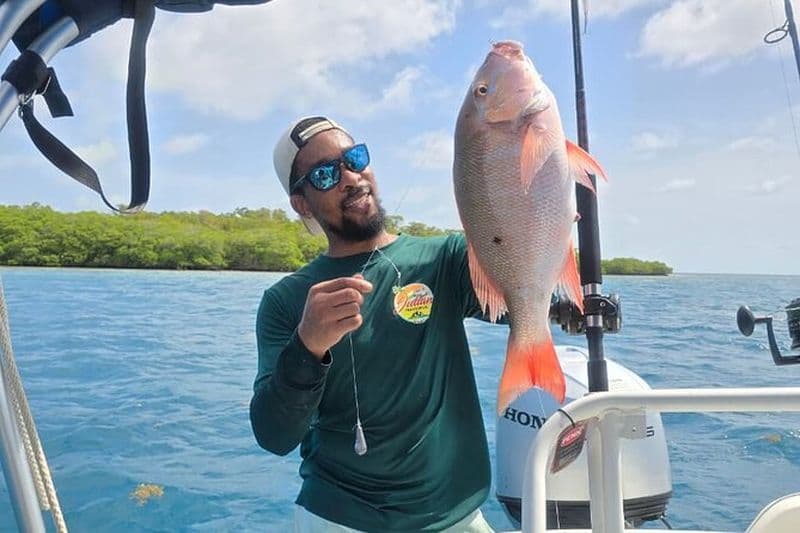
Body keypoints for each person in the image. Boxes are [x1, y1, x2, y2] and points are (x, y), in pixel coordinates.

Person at [249, 116, 495, 532]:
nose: (350, 176)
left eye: (355, 158)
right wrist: (307, 347)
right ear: (302, 203)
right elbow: (274, 435)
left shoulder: (446, 259)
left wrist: (538, 221)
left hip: (458, 515)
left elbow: (522, 299)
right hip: (340, 518)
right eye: (325, 174)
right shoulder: (286, 301)